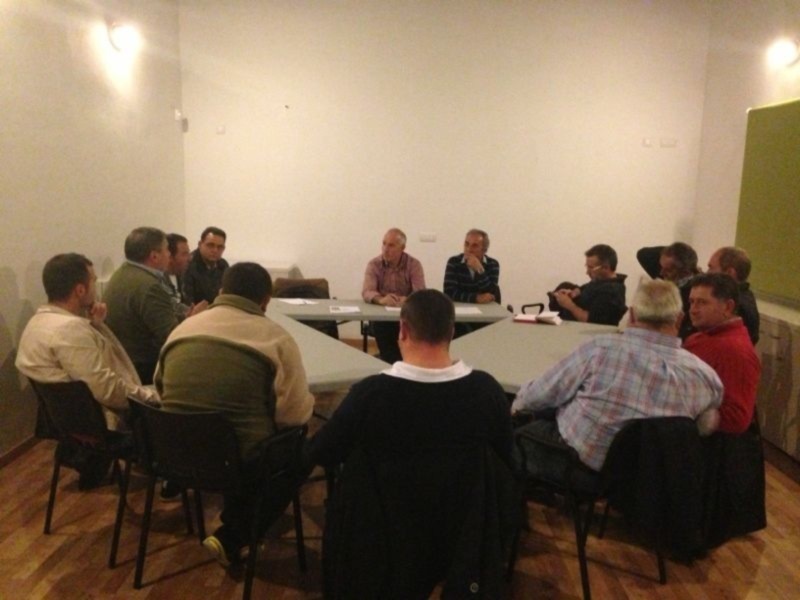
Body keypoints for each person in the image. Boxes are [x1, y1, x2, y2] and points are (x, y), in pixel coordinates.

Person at [308, 289, 514, 598]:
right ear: (452, 332)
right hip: (460, 537)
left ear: (402, 330)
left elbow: (324, 451)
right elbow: (505, 460)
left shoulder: (371, 394)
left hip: (382, 540)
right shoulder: (487, 392)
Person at [156, 262, 314, 566]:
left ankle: (236, 520)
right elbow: (295, 417)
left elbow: (161, 390)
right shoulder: (276, 339)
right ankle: (235, 534)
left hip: (175, 455)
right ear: (266, 301)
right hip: (239, 462)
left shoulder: (182, 329)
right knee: (304, 450)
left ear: (221, 291)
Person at [512, 279, 722, 482]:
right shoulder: (706, 377)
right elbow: (705, 426)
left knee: (513, 434)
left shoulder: (600, 349)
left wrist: (517, 404)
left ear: (632, 314)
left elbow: (540, 394)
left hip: (580, 465)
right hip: (647, 477)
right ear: (679, 319)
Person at [16, 254, 159, 488]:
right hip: (98, 427)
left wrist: (96, 324)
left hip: (68, 424)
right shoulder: (69, 330)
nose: (95, 285)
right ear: (80, 290)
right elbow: (107, 389)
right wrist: (150, 396)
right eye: (93, 280)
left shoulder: (38, 322)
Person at [103, 227, 190, 385]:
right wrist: (192, 321)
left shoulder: (121, 273)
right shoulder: (150, 286)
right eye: (166, 250)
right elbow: (171, 335)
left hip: (122, 361)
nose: (169, 254)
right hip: (144, 366)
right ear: (154, 256)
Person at [684, 273, 761, 434]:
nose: (693, 310)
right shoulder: (699, 337)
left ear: (728, 307)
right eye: (691, 302)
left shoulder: (735, 351)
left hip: (710, 443)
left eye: (702, 302)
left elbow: (737, 418)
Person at [361, 227, 426, 363]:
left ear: (402, 248)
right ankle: (391, 363)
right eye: (384, 244)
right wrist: (381, 300)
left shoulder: (414, 265)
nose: (385, 249)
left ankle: (403, 363)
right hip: (383, 318)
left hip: (407, 316)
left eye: (391, 245)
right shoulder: (374, 264)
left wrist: (407, 300)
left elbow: (420, 293)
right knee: (385, 332)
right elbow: (367, 291)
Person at [549, 243, 627, 325]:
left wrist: (569, 305)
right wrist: (573, 293)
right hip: (569, 325)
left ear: (606, 268)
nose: (587, 272)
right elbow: (585, 288)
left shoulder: (611, 292)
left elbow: (591, 321)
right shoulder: (600, 280)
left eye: (591, 268)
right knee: (565, 285)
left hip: (587, 331)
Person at [636, 242, 701, 339]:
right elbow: (643, 253)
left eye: (668, 270)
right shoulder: (668, 278)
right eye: (661, 267)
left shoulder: (694, 293)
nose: (661, 273)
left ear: (685, 271)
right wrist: (677, 250)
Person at [443, 229, 501, 337]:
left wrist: (479, 270)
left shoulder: (493, 264)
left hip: (486, 314)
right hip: (460, 315)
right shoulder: (454, 262)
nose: (469, 249)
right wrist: (476, 298)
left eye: (475, 246)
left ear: (484, 249)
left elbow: (491, 293)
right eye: (466, 244)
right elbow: (449, 292)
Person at [706, 246, 760, 345]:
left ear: (729, 273)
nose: (707, 273)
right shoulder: (745, 295)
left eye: (711, 268)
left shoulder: (737, 306)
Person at [183, 226, 230, 305]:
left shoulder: (223, 265)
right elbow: (187, 302)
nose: (215, 250)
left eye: (220, 247)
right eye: (210, 245)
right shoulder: (188, 265)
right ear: (200, 244)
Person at [163, 233, 191, 318]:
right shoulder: (158, 281)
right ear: (170, 256)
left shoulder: (180, 275)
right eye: (184, 254)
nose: (189, 258)